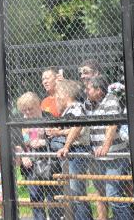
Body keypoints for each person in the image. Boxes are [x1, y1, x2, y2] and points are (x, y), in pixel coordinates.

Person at [84, 76, 134, 219]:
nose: (85, 91)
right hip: (99, 157)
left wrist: (106, 146)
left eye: (88, 89)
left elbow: (112, 124)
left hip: (115, 155)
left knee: (113, 194)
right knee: (108, 193)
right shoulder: (90, 103)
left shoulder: (111, 99)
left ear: (99, 90)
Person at [16, 92, 61, 220]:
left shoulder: (48, 117)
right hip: (30, 165)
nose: (27, 113)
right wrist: (23, 155)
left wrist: (44, 141)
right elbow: (16, 141)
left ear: (38, 105)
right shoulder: (21, 121)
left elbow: (58, 139)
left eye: (30, 109)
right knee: (36, 199)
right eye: (24, 110)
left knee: (53, 198)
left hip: (49, 163)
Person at [54, 80, 93, 220]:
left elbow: (78, 127)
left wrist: (66, 145)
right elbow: (70, 129)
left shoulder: (76, 107)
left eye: (58, 93)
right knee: (73, 193)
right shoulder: (67, 110)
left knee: (77, 194)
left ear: (65, 94)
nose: (56, 97)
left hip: (77, 151)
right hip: (71, 153)